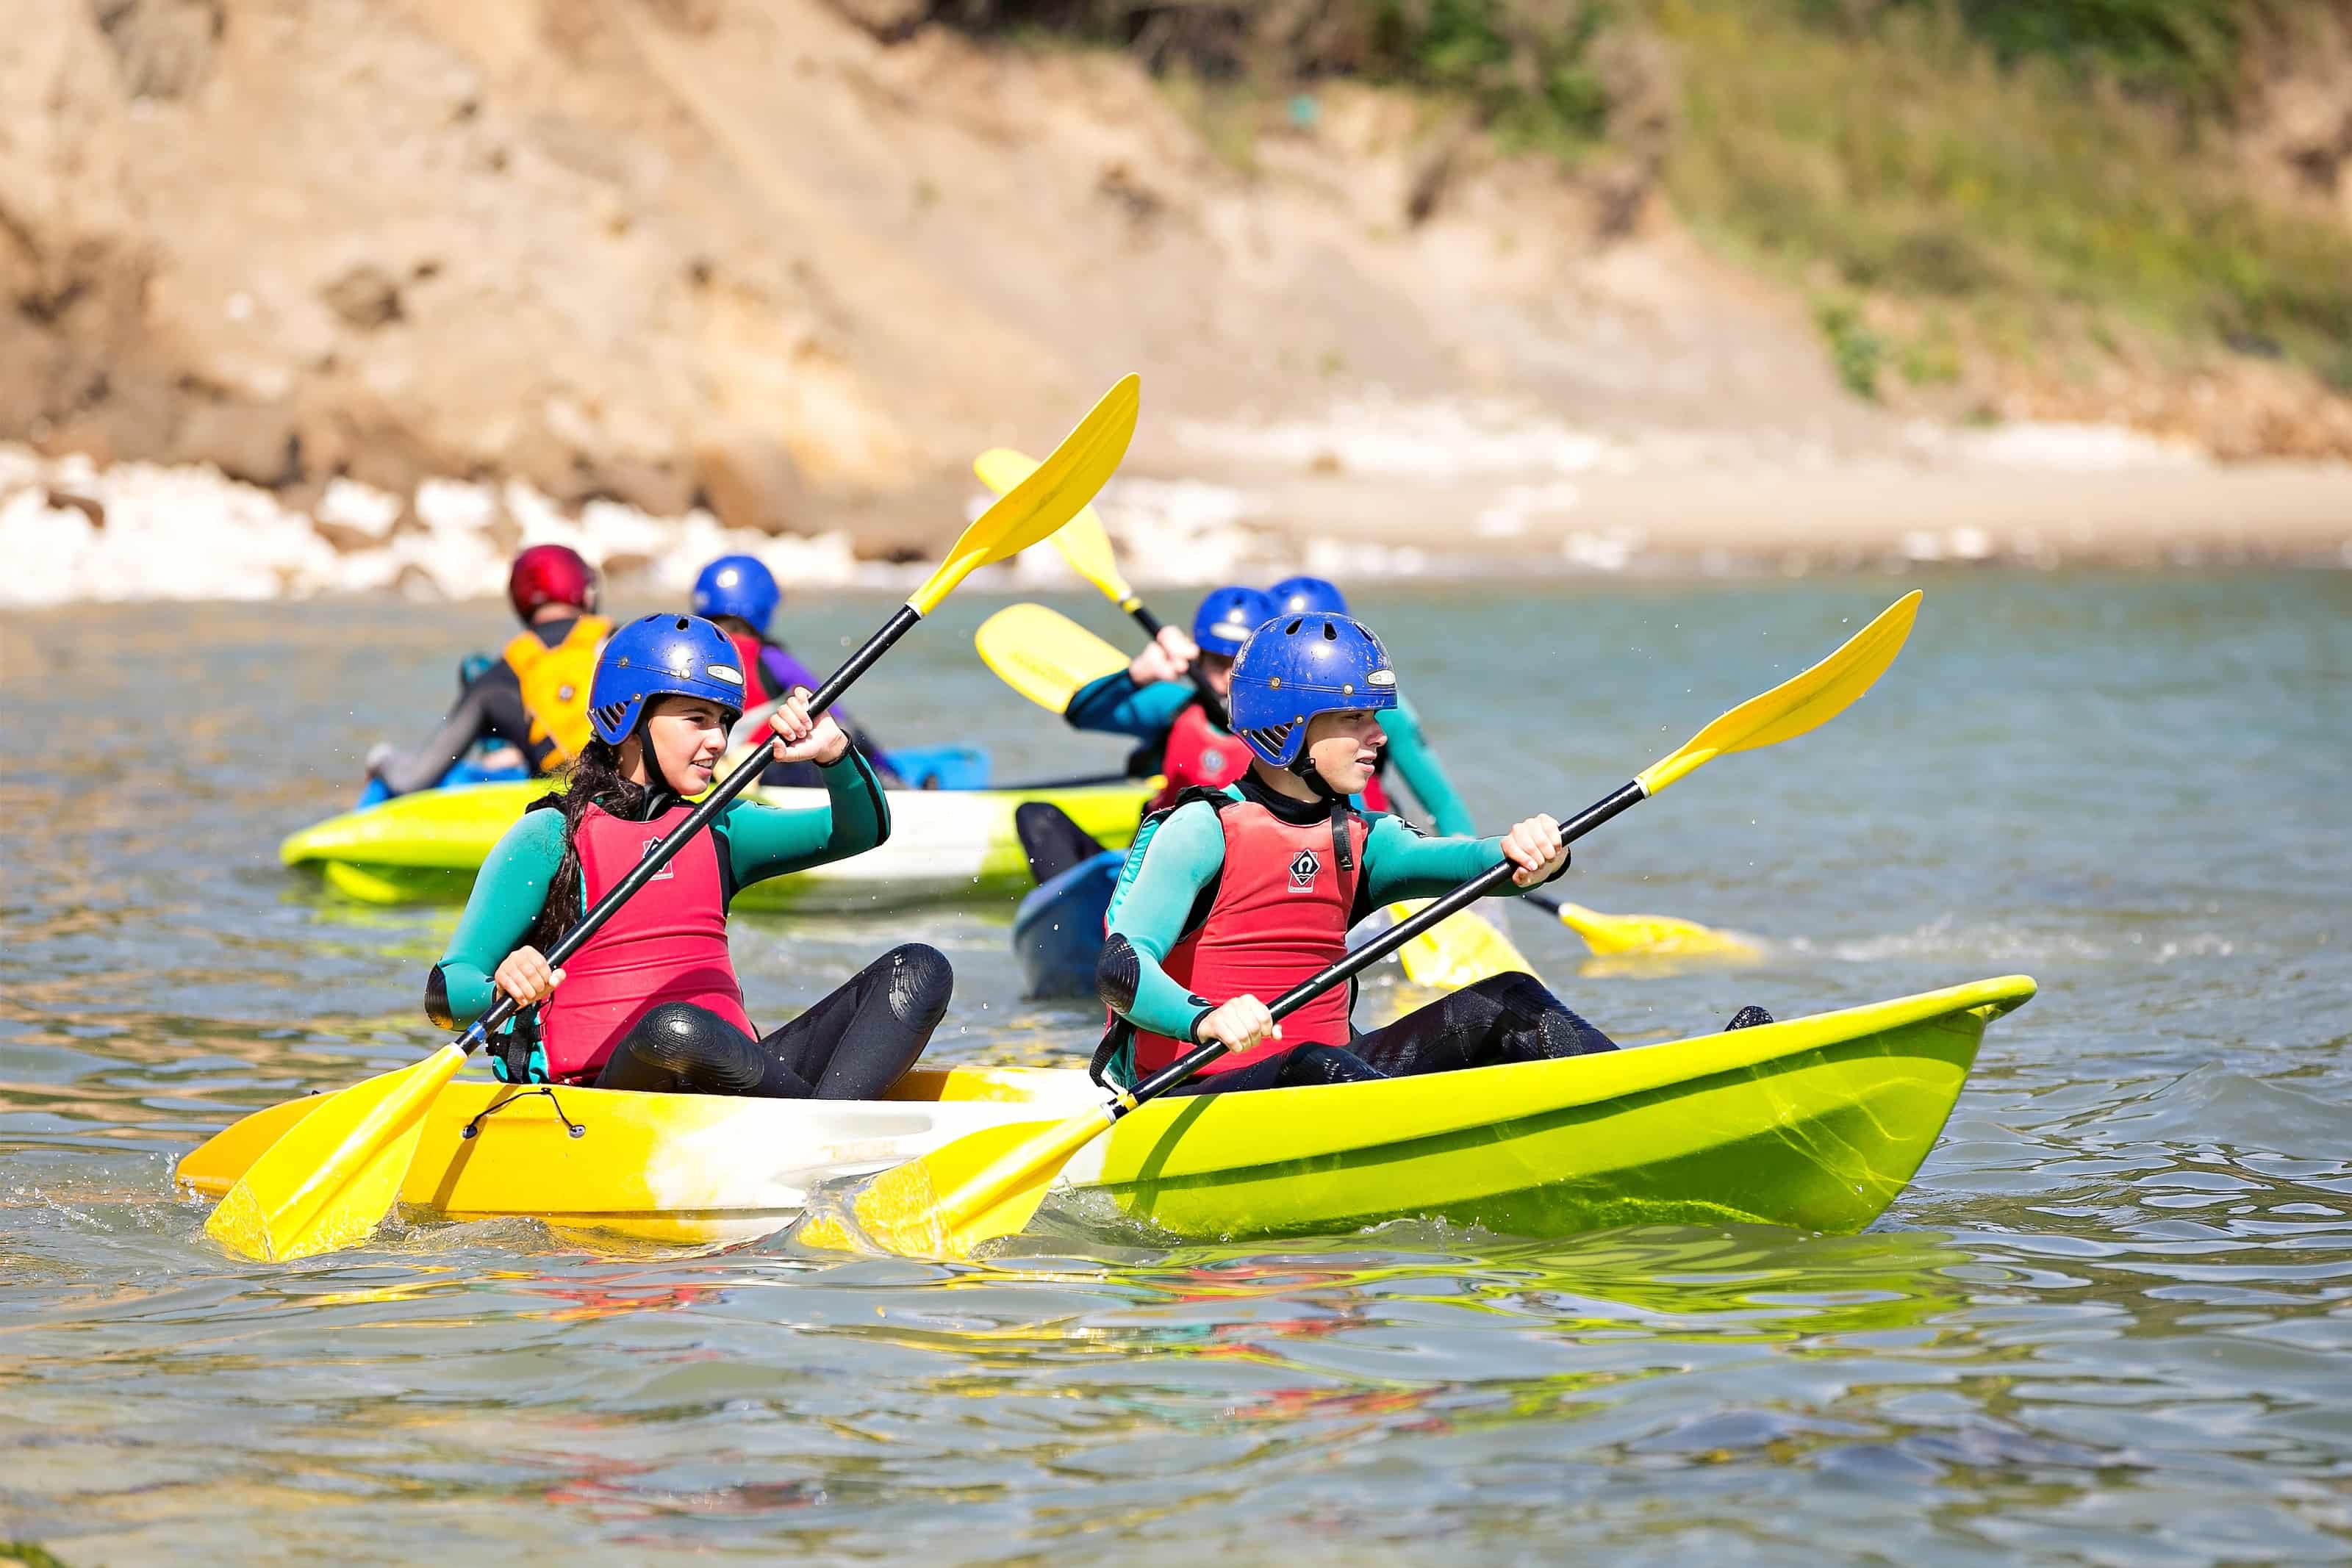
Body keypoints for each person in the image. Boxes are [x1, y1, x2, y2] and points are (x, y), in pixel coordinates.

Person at [1091, 611, 1758, 1097]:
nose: (1378, 736)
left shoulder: (1358, 838)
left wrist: (1528, 854)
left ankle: (1636, 1099)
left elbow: (1475, 866)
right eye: (1355, 718)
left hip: (1334, 1084)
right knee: (1314, 1063)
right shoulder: (1203, 829)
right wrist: (1204, 1017)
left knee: (1509, 1000)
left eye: (1375, 717)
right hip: (1200, 1095)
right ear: (1289, 727)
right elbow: (1122, 969)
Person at [425, 614, 950, 1098]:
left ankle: (827, 1132)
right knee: (673, 1028)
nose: (718, 740)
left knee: (920, 970)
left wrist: (834, 755)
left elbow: (860, 831)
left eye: (724, 720)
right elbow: (447, 991)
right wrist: (506, 982)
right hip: (608, 1098)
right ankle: (819, 1127)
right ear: (629, 717)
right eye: (696, 718)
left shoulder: (720, 826)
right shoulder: (549, 837)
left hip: (738, 1086)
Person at [1013, 585, 1274, 886]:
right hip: (1147, 875)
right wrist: (1138, 674)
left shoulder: (1287, 730)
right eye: (1217, 662)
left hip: (1222, 882)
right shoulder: (1177, 707)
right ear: (1197, 657)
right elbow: (1081, 715)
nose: (1228, 677)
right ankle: (1071, 916)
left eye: (1240, 664)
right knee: (1036, 817)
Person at [367, 544, 614, 798]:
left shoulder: (500, 675)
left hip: (563, 797)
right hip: (628, 789)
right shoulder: (622, 640)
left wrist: (381, 759)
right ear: (585, 592)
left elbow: (411, 780)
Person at [1264, 575, 1473, 835]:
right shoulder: (1252, 716)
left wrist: (1465, 853)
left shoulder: (1389, 712)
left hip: (1370, 843)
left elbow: (1444, 806)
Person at [691, 554, 901, 789]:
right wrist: (888, 771)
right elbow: (834, 715)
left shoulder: (691, 653)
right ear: (764, 606)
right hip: (762, 771)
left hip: (709, 766)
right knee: (838, 731)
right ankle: (894, 783)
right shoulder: (770, 657)